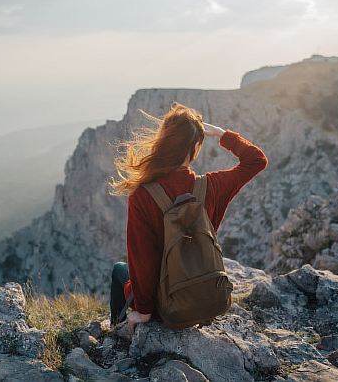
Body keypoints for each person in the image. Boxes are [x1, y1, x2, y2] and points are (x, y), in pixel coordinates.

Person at [107, 102, 268, 333]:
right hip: (209, 298)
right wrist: (222, 134)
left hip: (168, 308)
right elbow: (257, 160)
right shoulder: (212, 186)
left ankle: (117, 330)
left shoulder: (143, 195)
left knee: (119, 270)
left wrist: (143, 310)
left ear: (164, 143)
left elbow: (142, 259)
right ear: (195, 147)